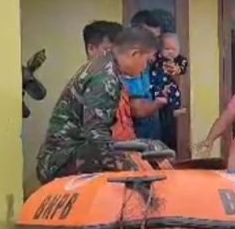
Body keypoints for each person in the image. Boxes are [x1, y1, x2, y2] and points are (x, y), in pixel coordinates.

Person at [35, 24, 160, 184]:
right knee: (139, 167)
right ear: (134, 54)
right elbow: (96, 137)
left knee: (153, 149)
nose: (144, 69)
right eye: (147, 61)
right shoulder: (105, 78)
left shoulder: (107, 67)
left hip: (77, 152)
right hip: (60, 160)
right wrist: (132, 159)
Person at [125, 10, 167, 140]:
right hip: (133, 141)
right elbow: (136, 110)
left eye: (156, 38)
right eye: (149, 37)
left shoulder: (151, 63)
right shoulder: (129, 63)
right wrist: (158, 104)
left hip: (151, 137)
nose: (154, 43)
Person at [150, 32, 189, 150]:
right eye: (167, 49)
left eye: (174, 49)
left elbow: (183, 66)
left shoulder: (179, 60)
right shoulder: (157, 57)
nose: (170, 52)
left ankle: (175, 108)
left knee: (174, 93)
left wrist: (178, 69)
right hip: (157, 84)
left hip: (169, 84)